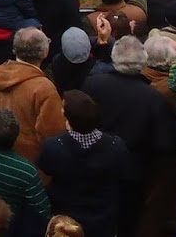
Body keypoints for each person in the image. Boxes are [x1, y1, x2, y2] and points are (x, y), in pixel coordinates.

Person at [36, 90, 132, 237]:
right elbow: (125, 174)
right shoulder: (116, 146)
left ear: (68, 118)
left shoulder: (53, 146)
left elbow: (44, 168)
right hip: (103, 220)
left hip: (65, 222)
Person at [0, 27, 66, 163]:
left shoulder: (1, 74)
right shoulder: (44, 87)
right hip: (31, 161)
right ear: (44, 52)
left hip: (1, 154)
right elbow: (52, 133)